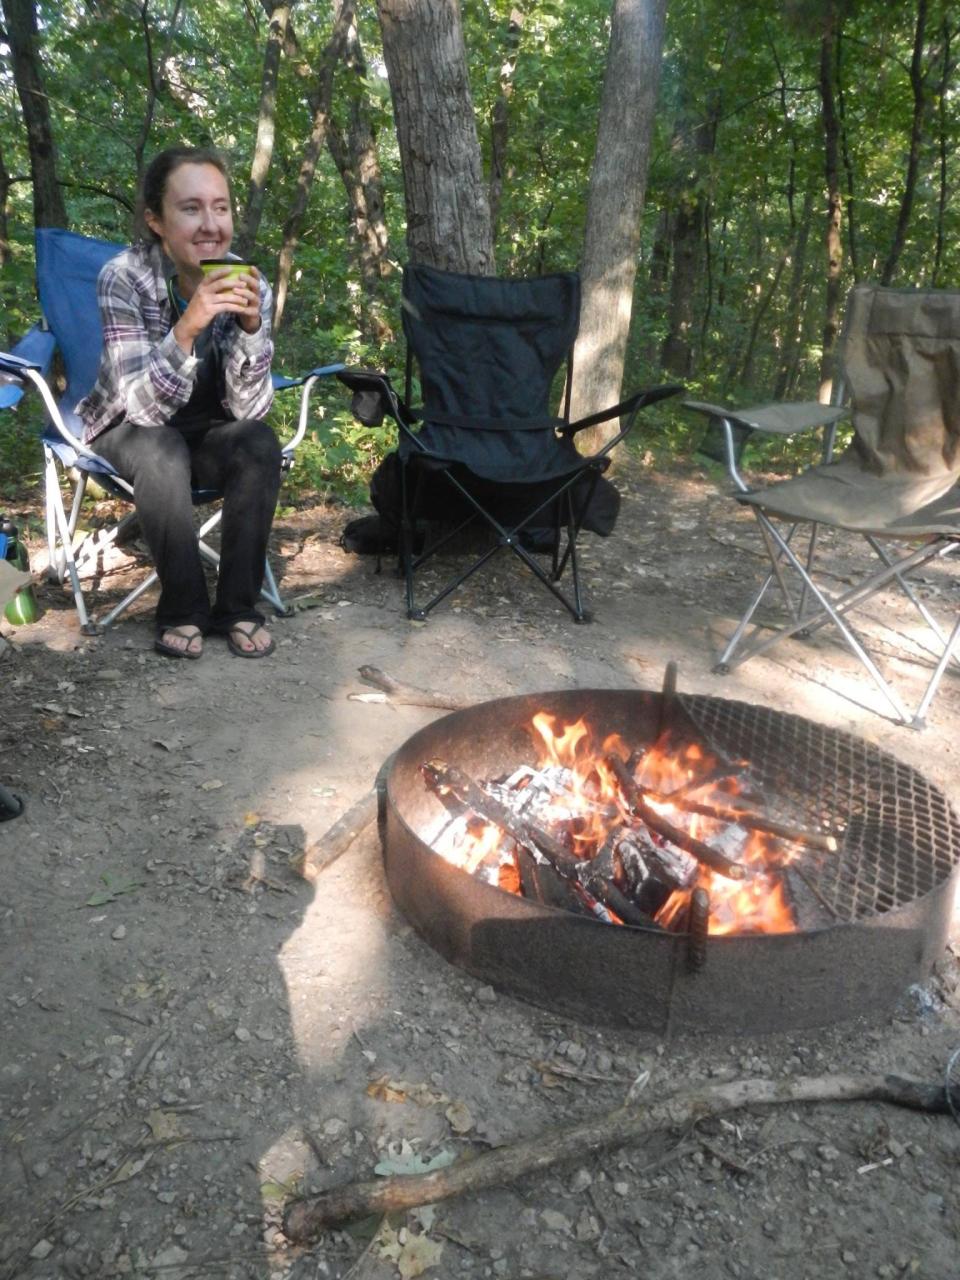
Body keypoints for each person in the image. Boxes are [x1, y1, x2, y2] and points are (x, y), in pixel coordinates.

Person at [76, 145, 281, 659]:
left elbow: (249, 410)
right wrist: (189, 326)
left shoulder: (247, 283)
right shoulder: (123, 277)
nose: (211, 224)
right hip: (128, 424)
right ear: (157, 222)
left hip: (207, 428)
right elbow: (143, 411)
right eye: (191, 208)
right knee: (161, 446)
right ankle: (183, 608)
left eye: (221, 207)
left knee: (257, 441)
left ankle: (238, 607)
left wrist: (252, 330)